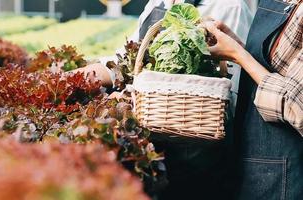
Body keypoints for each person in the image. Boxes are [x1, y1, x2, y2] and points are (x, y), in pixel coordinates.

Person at [75, 0, 253, 199]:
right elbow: (125, 61)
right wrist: (75, 77)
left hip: (198, 160)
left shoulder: (229, 7)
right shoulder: (158, 2)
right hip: (154, 151)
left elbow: (231, 93)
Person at [203, 0, 302, 199]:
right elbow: (276, 68)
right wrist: (236, 45)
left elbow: (298, 107)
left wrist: (238, 54)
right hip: (251, 159)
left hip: (285, 174)